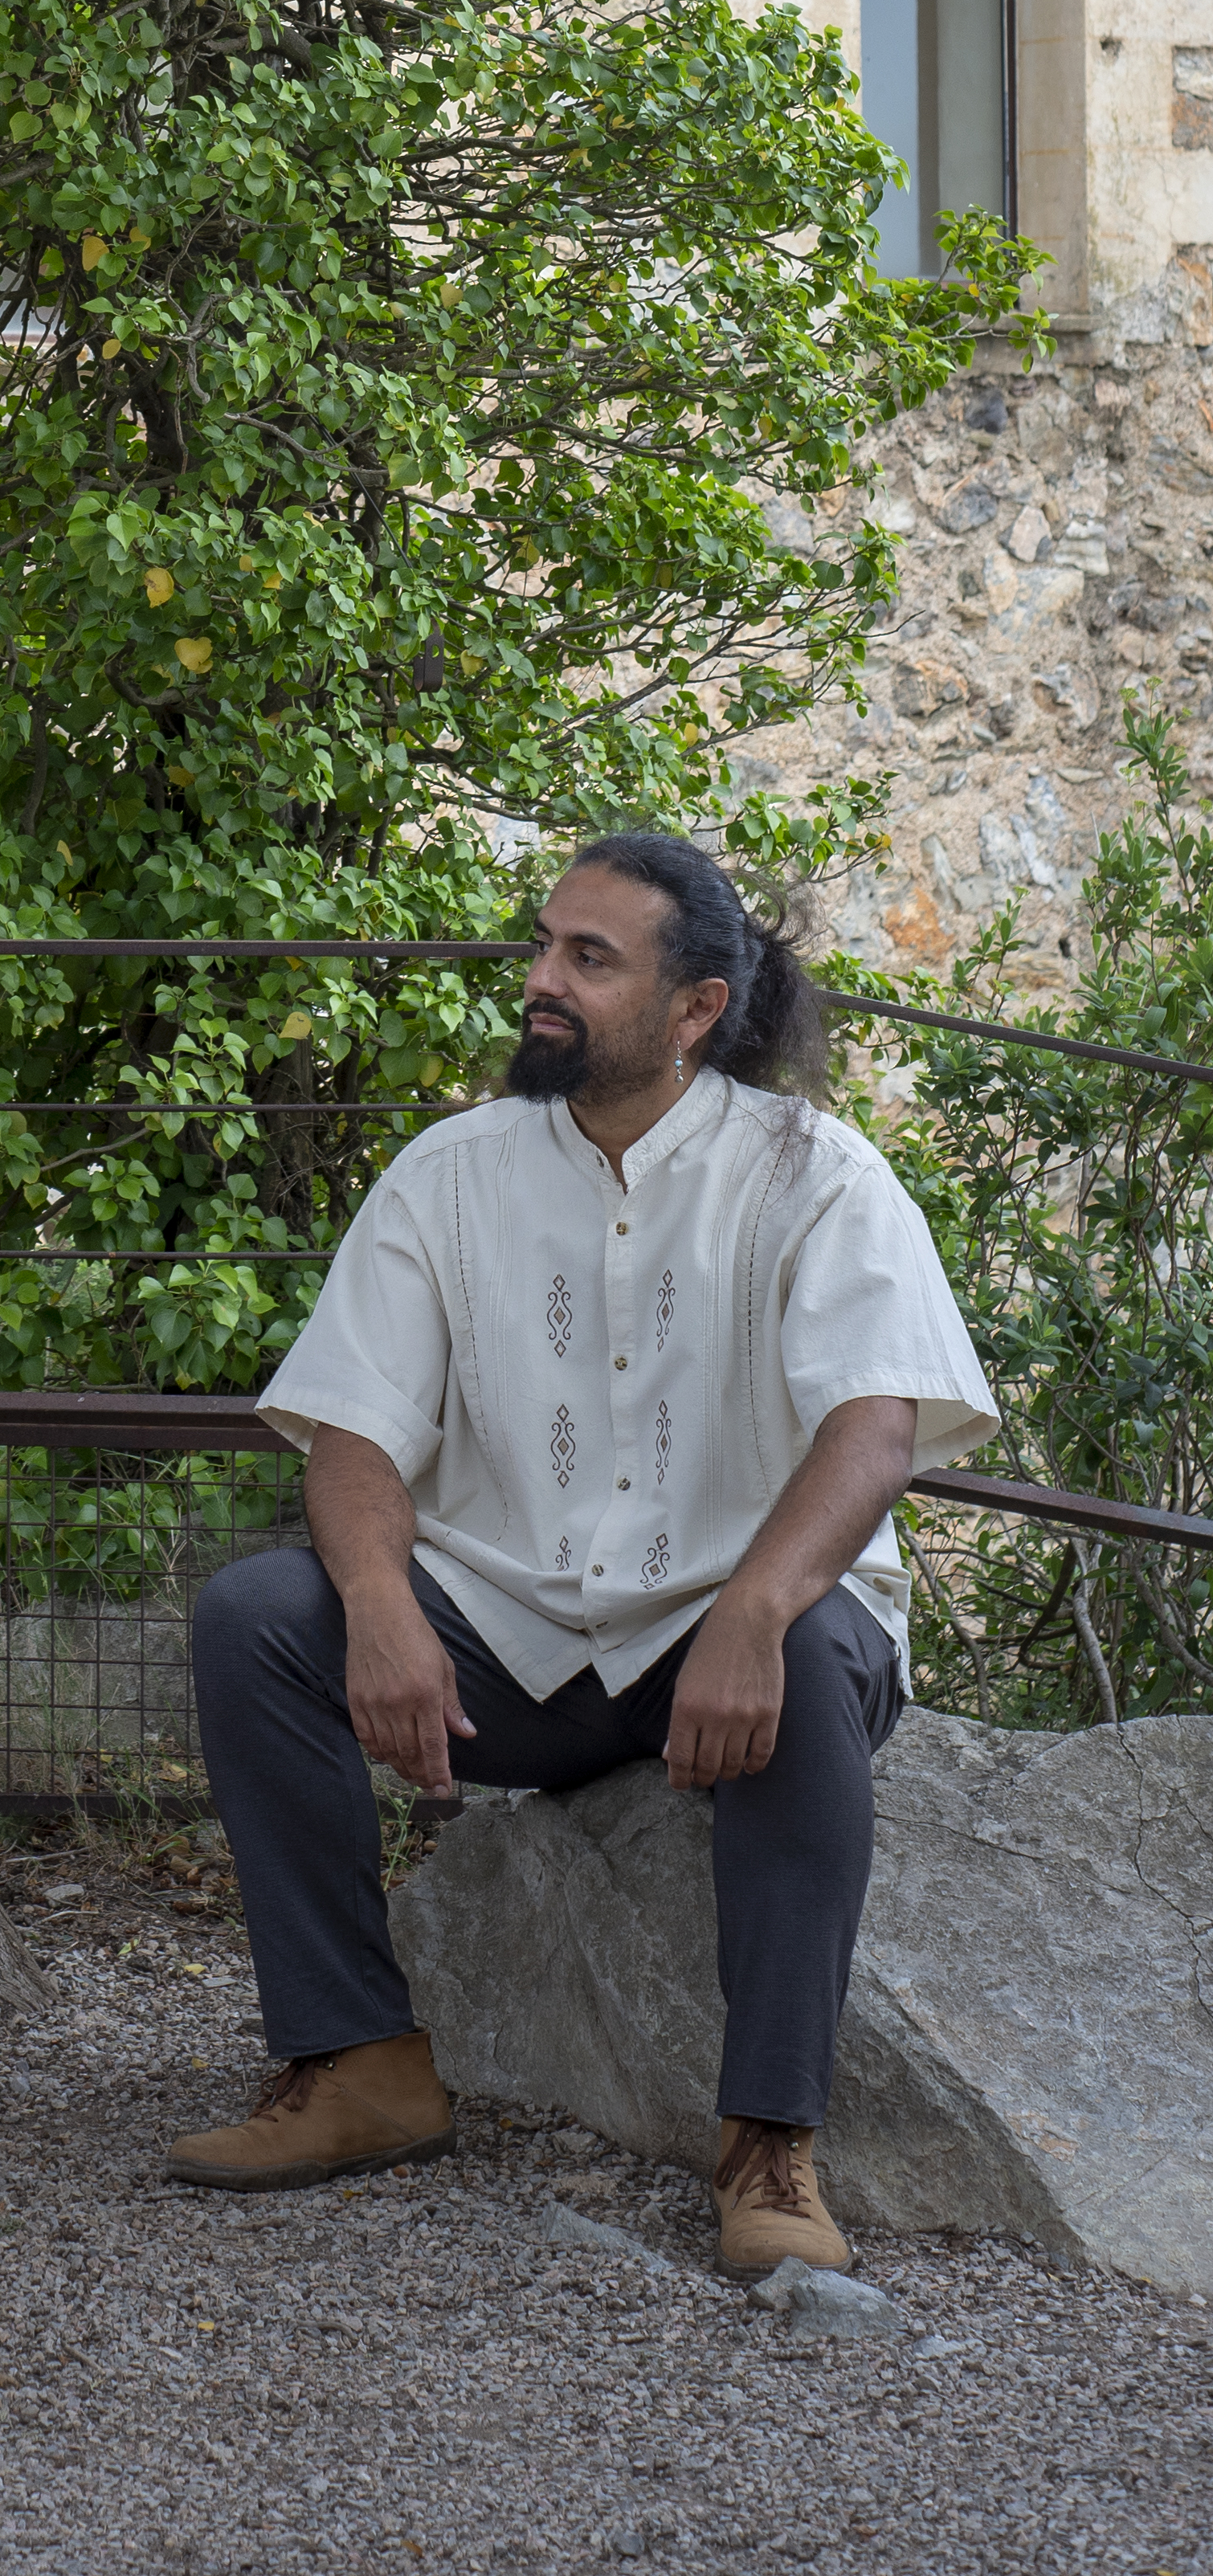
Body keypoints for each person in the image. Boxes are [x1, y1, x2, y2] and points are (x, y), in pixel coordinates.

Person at [174, 831, 996, 2274]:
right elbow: (354, 1433)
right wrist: (377, 1602)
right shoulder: (447, 1175)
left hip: (728, 1642)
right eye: (543, 946)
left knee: (809, 1651)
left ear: (696, 1008)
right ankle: (358, 2064)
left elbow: (874, 1429)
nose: (539, 981)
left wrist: (752, 1610)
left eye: (587, 959)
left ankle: (768, 2147)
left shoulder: (817, 1174)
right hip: (508, 1646)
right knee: (256, 1617)